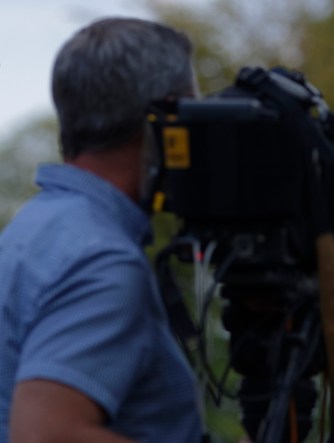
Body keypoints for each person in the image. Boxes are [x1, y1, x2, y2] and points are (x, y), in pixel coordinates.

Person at [0, 17, 205, 442]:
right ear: (165, 122)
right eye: (193, 111)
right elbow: (46, 435)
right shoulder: (102, 259)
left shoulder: (35, 229)